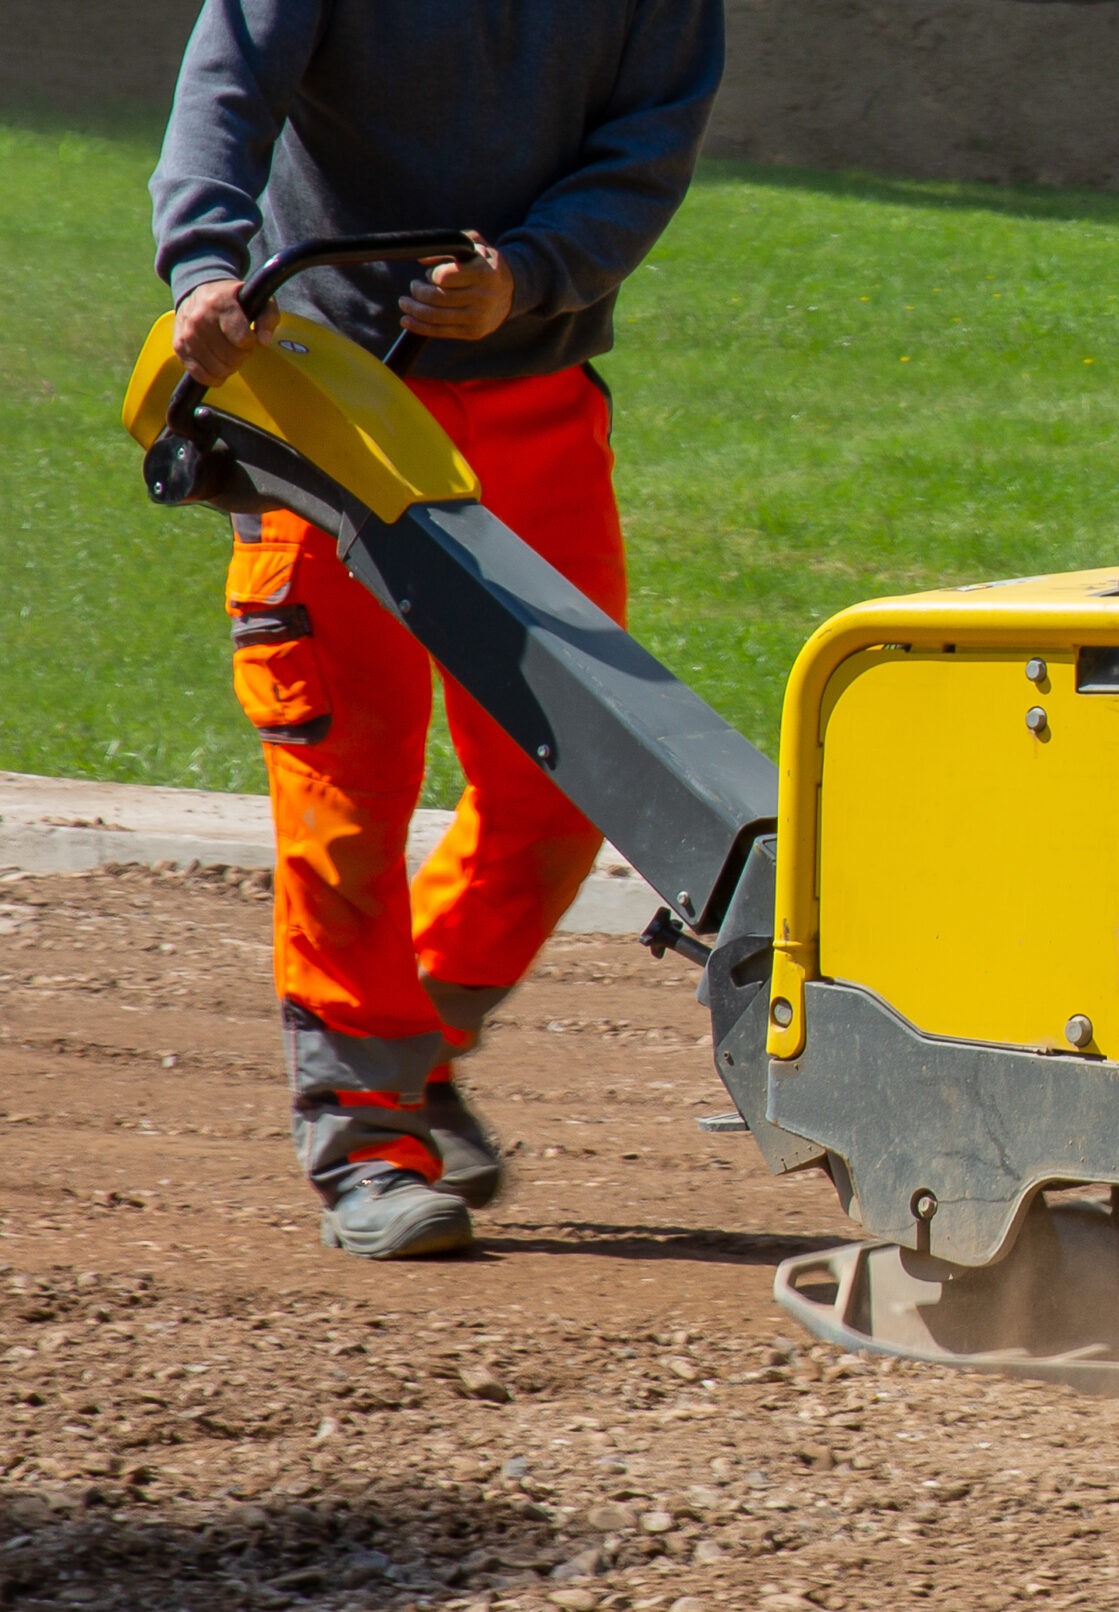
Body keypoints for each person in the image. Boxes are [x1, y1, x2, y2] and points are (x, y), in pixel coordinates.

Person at [148, 0, 726, 1259]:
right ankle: (366, 1136)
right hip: (323, 402)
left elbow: (645, 149)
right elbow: (228, 94)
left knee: (572, 787)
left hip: (535, 406)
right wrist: (203, 267)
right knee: (344, 785)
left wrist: (529, 274)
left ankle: (409, 1058)